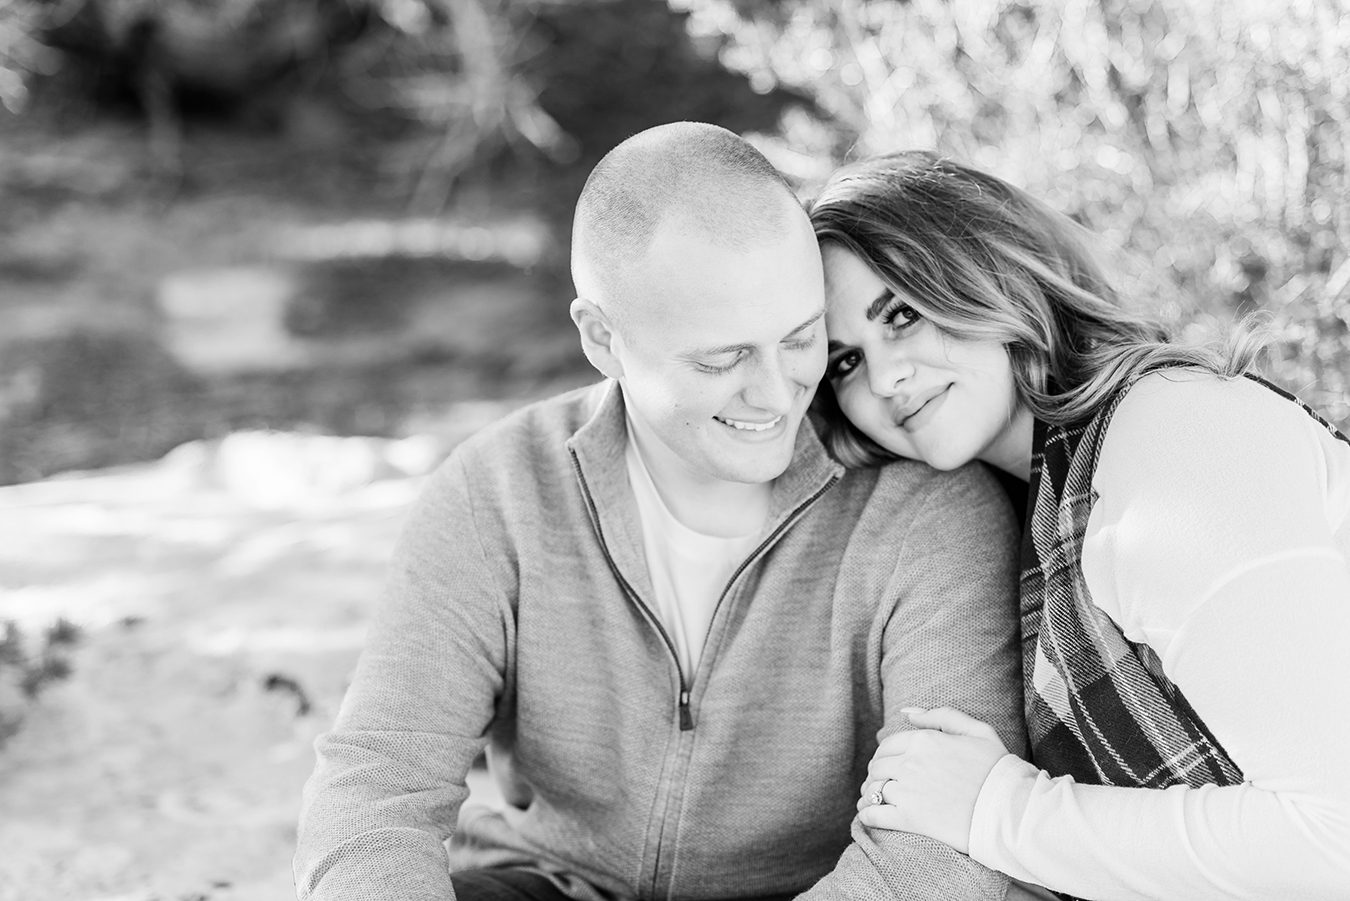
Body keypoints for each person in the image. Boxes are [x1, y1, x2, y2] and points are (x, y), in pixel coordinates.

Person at [293, 124, 1026, 901]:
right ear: (603, 338)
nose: (778, 395)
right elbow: (377, 783)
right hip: (545, 885)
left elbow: (937, 849)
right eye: (723, 358)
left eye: (803, 339)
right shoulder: (499, 491)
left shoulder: (926, 511)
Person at [808, 150, 1350, 901]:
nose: (883, 378)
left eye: (901, 313)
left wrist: (998, 808)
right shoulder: (1032, 517)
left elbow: (1335, 837)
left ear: (990, 267)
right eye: (844, 363)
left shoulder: (1172, 438)